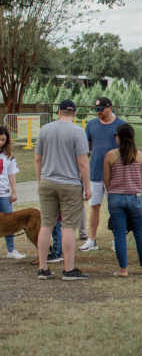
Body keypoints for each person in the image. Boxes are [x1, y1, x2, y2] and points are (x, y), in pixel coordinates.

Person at [35, 100, 91, 281]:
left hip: (47, 182)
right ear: (74, 113)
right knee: (68, 227)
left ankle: (43, 269)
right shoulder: (78, 132)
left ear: (58, 111)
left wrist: (40, 181)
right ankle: (68, 270)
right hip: (70, 184)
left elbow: (38, 160)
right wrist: (87, 186)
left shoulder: (44, 129)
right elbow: (82, 162)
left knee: (46, 226)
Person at [103, 124, 142, 277]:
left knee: (119, 234)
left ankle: (123, 270)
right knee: (140, 233)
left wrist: (114, 191)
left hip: (116, 197)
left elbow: (107, 180)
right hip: (135, 198)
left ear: (117, 137)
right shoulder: (139, 155)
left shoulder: (110, 156)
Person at [79, 96, 127, 253]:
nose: (98, 112)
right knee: (94, 206)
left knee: (116, 208)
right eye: (96, 110)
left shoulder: (121, 125)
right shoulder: (91, 124)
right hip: (95, 173)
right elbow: (87, 148)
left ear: (110, 108)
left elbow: (128, 149)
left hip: (115, 175)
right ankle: (91, 240)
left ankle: (117, 240)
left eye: (101, 109)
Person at [0, 125, 24, 259]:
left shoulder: (9, 155)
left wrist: (14, 192)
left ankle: (11, 250)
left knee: (8, 222)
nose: (1, 142)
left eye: (3, 140)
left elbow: (11, 174)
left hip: (4, 193)